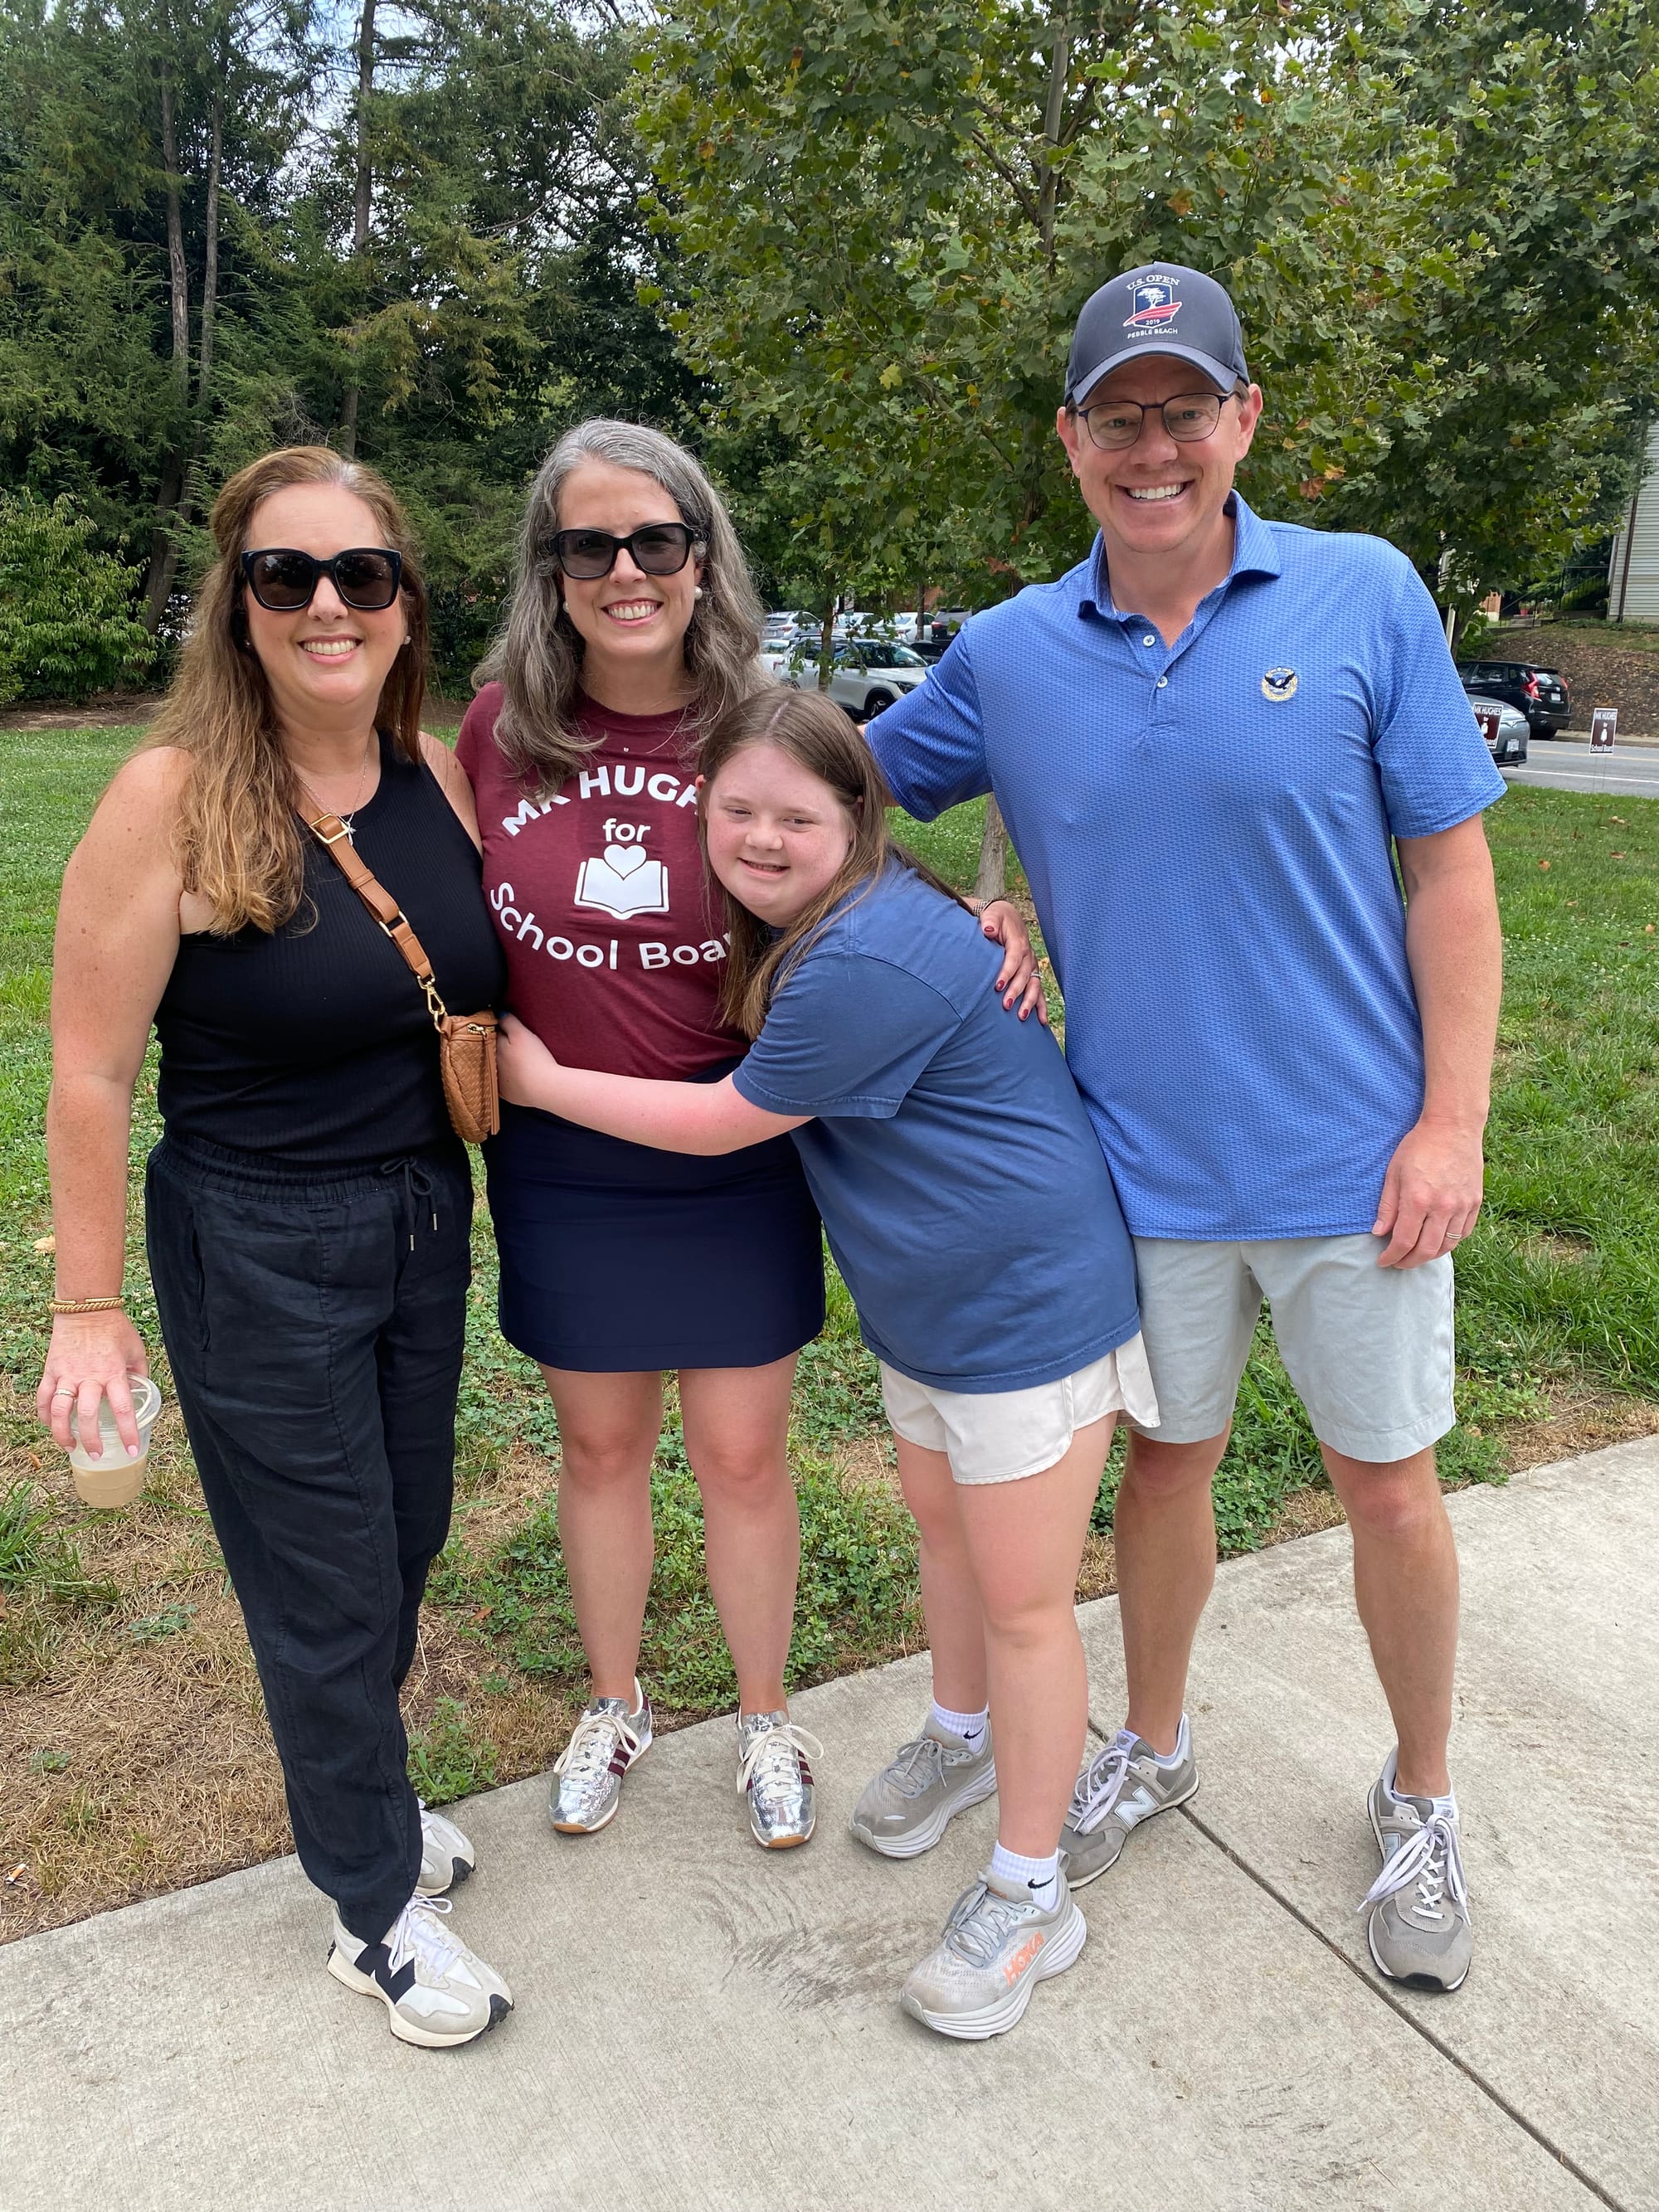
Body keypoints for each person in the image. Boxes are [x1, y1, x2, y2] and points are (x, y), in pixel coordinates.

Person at [867, 263, 1506, 1994]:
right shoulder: (1009, 651)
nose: (1153, 447)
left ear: (1243, 422)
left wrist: (1449, 1123)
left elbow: (1453, 879)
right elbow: (822, 799)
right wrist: (954, 910)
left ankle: (1423, 1793)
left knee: (1388, 1488)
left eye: (1185, 410)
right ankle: (1150, 1744)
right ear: (1069, 440)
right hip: (1135, 1172)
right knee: (1164, 1467)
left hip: (1357, 1164)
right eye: (1118, 416)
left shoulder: (1364, 593)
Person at [494, 687, 1153, 2039]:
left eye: (796, 817)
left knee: (1028, 1605)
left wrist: (541, 1083)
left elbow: (729, 1119)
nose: (760, 838)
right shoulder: (824, 926)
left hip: (1022, 1307)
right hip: (931, 1305)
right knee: (947, 1544)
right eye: (735, 809)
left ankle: (1032, 1891)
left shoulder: (862, 956)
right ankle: (962, 1739)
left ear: (860, 819)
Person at [457, 420, 1041, 1853]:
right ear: (550, 569)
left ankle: (766, 1717)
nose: (625, 571)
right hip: (562, 1157)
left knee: (740, 1454)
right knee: (599, 1449)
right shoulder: (499, 730)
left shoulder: (759, 720)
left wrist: (981, 914)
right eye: (588, 545)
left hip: (738, 1148)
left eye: (655, 540)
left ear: (701, 556)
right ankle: (615, 1702)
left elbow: (850, 856)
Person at [36, 447, 513, 2049]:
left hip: (420, 1221)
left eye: (360, 575)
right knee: (324, 1581)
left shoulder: (433, 773)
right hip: (255, 1240)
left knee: (401, 1539)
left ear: (405, 606)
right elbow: (91, 1074)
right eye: (284, 575)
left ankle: (366, 1795)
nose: (326, 605)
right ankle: (371, 1905)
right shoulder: (168, 799)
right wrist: (87, 1306)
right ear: (236, 606)